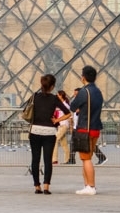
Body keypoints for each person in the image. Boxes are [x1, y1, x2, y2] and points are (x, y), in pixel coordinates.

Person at [27, 74, 71, 194]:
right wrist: (56, 120)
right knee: (48, 160)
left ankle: (37, 186)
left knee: (35, 160)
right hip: (49, 132)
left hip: (35, 131)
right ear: (52, 86)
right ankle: (46, 187)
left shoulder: (35, 96)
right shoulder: (54, 99)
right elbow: (68, 113)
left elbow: (26, 110)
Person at [71, 66, 103, 195]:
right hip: (95, 127)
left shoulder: (84, 91)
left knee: (86, 158)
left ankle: (90, 186)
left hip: (85, 128)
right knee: (87, 157)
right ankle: (87, 186)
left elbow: (73, 106)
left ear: (83, 77)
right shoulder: (98, 91)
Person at [53, 89, 72, 165]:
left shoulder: (65, 105)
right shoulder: (60, 104)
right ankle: (67, 159)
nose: (56, 96)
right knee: (64, 144)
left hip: (64, 125)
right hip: (61, 125)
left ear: (61, 96)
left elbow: (69, 116)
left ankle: (54, 159)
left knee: (55, 140)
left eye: (58, 95)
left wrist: (70, 126)